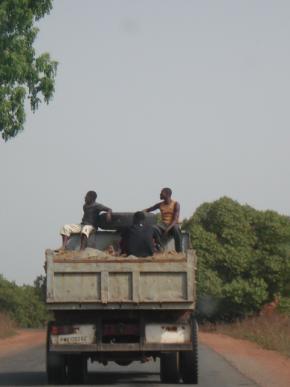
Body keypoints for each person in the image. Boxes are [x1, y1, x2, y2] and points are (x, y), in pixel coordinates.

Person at [144, 187, 182, 252]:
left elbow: (175, 220)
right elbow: (150, 209)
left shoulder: (176, 204)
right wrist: (140, 212)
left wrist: (168, 229)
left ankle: (179, 251)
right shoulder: (160, 204)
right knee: (153, 228)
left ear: (167, 194)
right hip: (163, 224)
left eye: (162, 193)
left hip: (173, 224)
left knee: (176, 229)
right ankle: (160, 247)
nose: (160, 194)